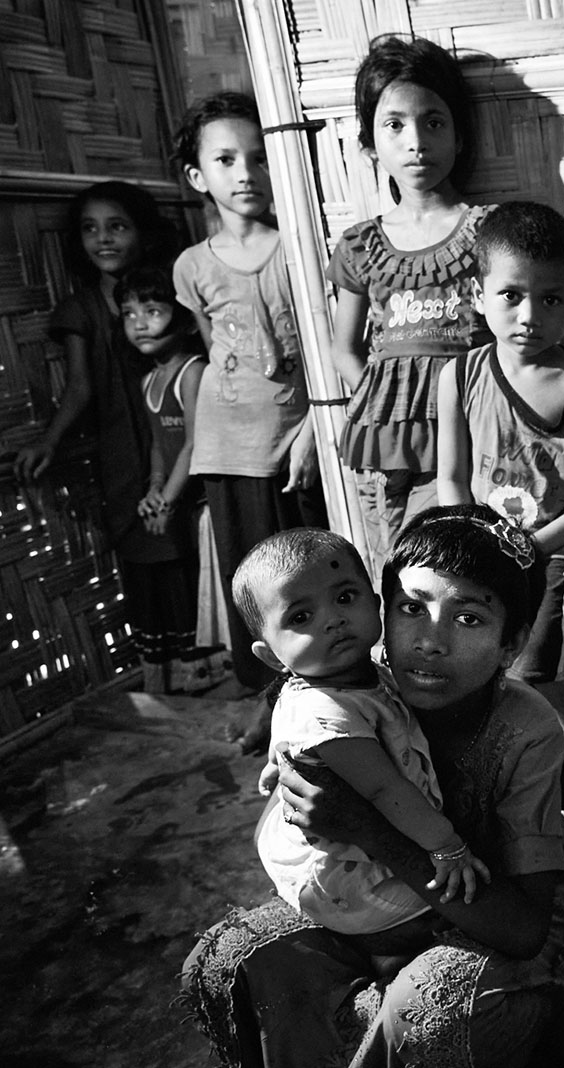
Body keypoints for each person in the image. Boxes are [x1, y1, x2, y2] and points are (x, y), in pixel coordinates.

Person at [180, 504, 564, 1067]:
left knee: (429, 1011)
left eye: (468, 619)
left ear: (512, 645)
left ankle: (547, 1012)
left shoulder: (525, 729)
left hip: (497, 904)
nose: (429, 642)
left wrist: (367, 830)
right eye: (412, 609)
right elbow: (298, 725)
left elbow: (523, 927)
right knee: (232, 961)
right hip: (381, 898)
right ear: (384, 613)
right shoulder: (348, 686)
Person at [437, 200, 564, 838]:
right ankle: (484, 788)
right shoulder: (461, 376)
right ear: (478, 294)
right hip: (485, 544)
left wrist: (533, 543)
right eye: (511, 295)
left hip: (559, 547)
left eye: (551, 299)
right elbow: (452, 479)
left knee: (540, 650)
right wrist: (470, 543)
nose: (529, 315)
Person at [237, 528, 491, 941]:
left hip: (347, 846)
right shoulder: (326, 710)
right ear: (271, 655)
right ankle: (382, 947)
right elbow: (383, 789)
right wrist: (447, 846)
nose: (333, 620)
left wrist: (273, 761)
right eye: (301, 618)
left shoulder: (354, 677)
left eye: (344, 598)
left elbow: (284, 723)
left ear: (376, 606)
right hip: (342, 875)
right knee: (451, 905)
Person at [172, 90, 324, 697]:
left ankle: (326, 694)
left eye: (258, 158)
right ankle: (268, 701)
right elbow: (217, 354)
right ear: (197, 176)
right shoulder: (191, 265)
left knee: (306, 572)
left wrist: (314, 425)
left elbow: (317, 352)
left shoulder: (298, 248)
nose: (246, 174)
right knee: (250, 582)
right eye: (227, 160)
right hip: (225, 446)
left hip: (293, 437)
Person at [329, 34, 494, 565]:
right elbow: (344, 348)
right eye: (394, 124)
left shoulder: (488, 233)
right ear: (371, 145)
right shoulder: (361, 244)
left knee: (464, 563)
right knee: (396, 566)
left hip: (469, 439)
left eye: (434, 122)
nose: (416, 140)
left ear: (460, 137)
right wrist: (375, 402)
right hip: (384, 448)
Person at [13, 181, 181, 680]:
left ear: (144, 234)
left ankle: (201, 656)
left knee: (182, 534)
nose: (103, 239)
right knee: (139, 540)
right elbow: (81, 387)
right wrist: (50, 439)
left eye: (117, 226)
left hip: (174, 432)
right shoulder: (83, 308)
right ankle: (161, 662)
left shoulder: (168, 293)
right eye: (90, 228)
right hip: (121, 448)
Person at [119, 262, 207, 691]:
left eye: (152, 311)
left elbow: (193, 443)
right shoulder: (149, 380)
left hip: (198, 497)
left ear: (186, 318)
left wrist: (169, 501)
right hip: (173, 491)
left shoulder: (193, 371)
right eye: (129, 314)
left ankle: (208, 668)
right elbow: (159, 444)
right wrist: (154, 491)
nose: (140, 324)